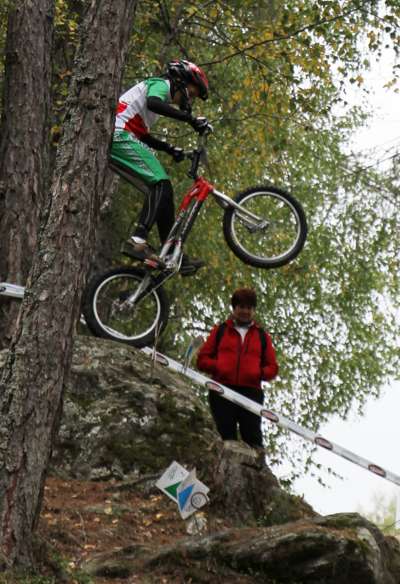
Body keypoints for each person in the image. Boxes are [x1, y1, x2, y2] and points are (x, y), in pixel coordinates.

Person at [110, 59, 209, 276]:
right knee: (161, 184)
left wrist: (168, 148)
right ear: (181, 81)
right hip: (118, 135)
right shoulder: (160, 85)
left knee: (166, 192)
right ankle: (138, 238)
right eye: (190, 94)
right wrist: (190, 119)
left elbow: (143, 135)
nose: (189, 99)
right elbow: (155, 103)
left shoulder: (151, 105)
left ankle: (170, 252)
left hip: (123, 136)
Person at [197, 288, 279, 449]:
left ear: (253, 310)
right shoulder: (220, 331)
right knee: (225, 436)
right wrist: (219, 367)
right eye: (241, 307)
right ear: (234, 308)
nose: (245, 311)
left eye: (249, 308)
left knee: (253, 438)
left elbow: (273, 367)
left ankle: (257, 471)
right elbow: (202, 360)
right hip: (221, 390)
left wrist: (258, 373)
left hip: (251, 392)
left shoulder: (262, 336)